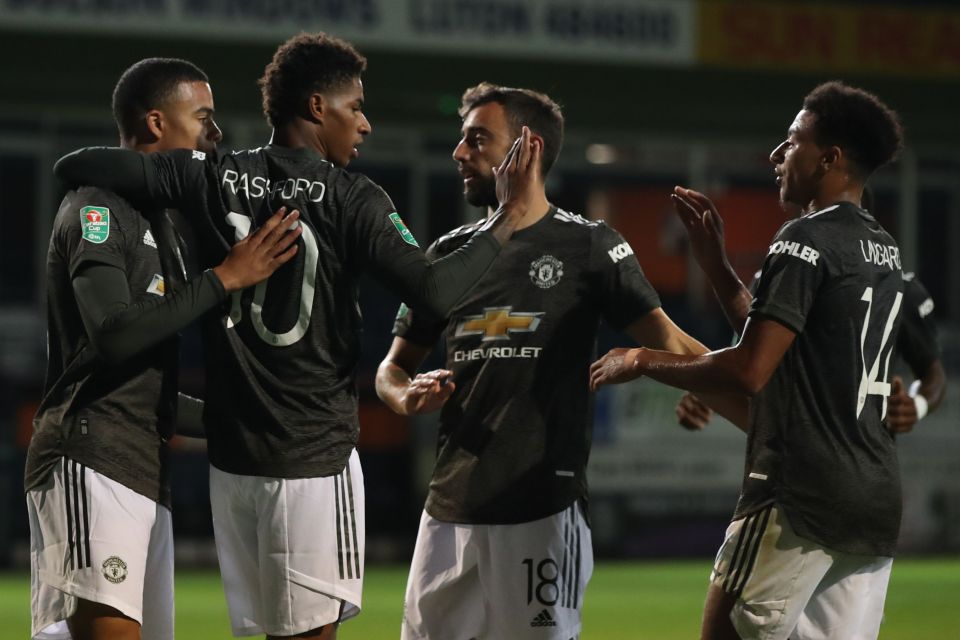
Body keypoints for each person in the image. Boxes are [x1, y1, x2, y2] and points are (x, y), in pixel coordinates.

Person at [53, 35, 539, 640]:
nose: (364, 123)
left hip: (233, 471)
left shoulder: (215, 175)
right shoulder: (353, 196)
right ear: (316, 107)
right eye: (354, 106)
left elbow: (79, 165)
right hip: (310, 456)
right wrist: (507, 221)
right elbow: (436, 292)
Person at [374, 83, 735, 640]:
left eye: (476, 139)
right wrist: (406, 395)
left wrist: (711, 379)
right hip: (448, 511)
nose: (459, 153)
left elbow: (669, 338)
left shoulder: (589, 246)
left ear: (528, 148)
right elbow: (389, 371)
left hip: (541, 507)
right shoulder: (447, 255)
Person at [591, 81, 906, 639]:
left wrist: (642, 359)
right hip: (873, 500)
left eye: (792, 143)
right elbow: (779, 345)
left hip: (799, 495)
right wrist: (715, 265)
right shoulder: (881, 247)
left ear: (829, 158)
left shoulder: (803, 238)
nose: (777, 156)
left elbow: (750, 368)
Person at [27, 59, 300, 640]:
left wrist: (247, 420)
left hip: (144, 466)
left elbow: (147, 388)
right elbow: (115, 332)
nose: (215, 133)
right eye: (202, 117)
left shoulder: (168, 223)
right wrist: (223, 278)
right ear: (155, 123)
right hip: (90, 454)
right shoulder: (94, 208)